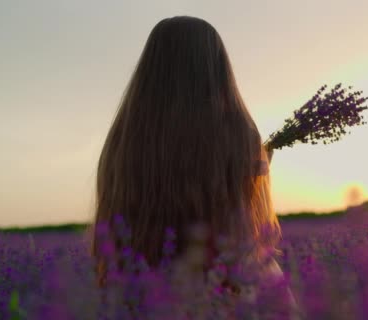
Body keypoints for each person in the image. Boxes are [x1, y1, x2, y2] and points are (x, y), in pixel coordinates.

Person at [88, 15, 300, 318]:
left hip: (142, 289)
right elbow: (256, 224)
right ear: (217, 66)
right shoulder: (238, 129)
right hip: (229, 287)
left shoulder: (124, 137)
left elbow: (111, 221)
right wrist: (258, 172)